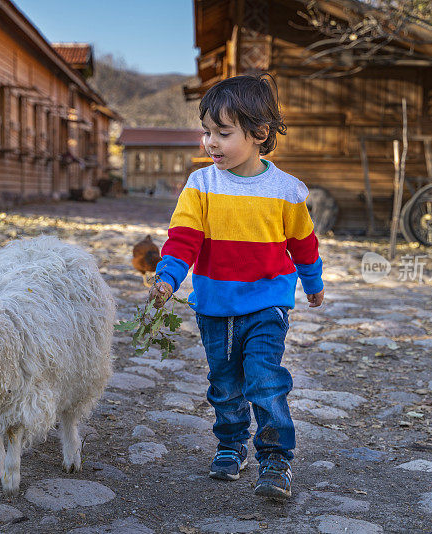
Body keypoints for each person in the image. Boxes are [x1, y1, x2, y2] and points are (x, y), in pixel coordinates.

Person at [149, 73, 324, 501]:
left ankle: (276, 459)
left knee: (265, 381)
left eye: (223, 133)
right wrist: (167, 278)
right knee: (224, 384)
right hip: (214, 305)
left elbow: (303, 242)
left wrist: (313, 281)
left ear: (259, 134)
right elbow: (184, 237)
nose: (210, 142)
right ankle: (231, 445)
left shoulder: (286, 190)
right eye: (207, 131)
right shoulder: (201, 185)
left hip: (268, 303)